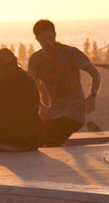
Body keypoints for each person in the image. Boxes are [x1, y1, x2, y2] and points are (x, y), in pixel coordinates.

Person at [27, 19, 101, 147]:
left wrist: (92, 96)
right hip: (53, 113)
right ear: (37, 39)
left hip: (74, 111)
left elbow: (95, 73)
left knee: (52, 142)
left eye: (49, 37)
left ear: (55, 35)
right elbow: (30, 87)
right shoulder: (36, 59)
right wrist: (41, 107)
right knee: (37, 141)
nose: (47, 43)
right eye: (43, 39)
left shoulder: (70, 53)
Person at [0, 48, 43, 153]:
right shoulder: (29, 80)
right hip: (33, 140)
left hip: (6, 140)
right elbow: (35, 107)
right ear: (14, 61)